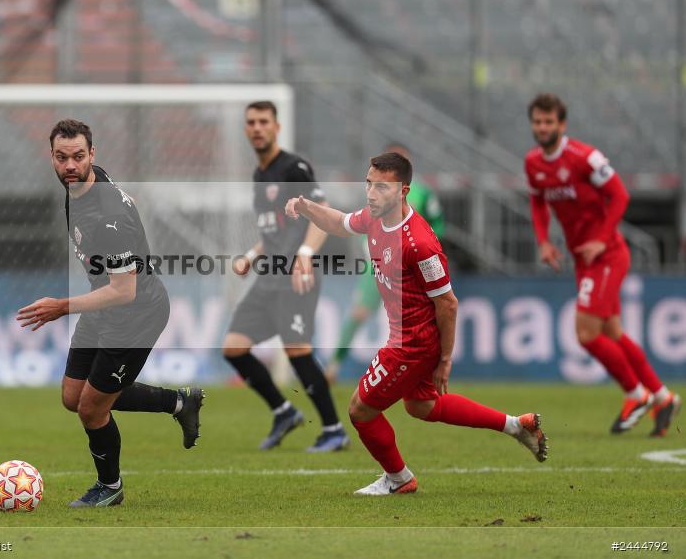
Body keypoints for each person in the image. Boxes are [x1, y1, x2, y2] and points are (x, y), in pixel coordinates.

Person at [285, 152, 547, 495]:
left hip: (413, 343)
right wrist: (307, 207)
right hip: (407, 337)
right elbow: (339, 222)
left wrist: (444, 359)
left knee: (360, 409)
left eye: (381, 186)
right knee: (421, 406)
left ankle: (399, 479)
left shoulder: (420, 244)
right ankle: (516, 426)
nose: (371, 193)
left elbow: (448, 304)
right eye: (368, 183)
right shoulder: (375, 218)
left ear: (403, 191)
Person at [17, 119, 204, 508]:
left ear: (93, 155)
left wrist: (61, 307)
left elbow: (124, 291)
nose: (70, 165)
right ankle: (179, 403)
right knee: (73, 396)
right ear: (51, 156)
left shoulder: (107, 220)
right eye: (61, 157)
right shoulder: (80, 184)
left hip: (136, 313)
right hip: (103, 302)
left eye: (78, 157)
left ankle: (110, 487)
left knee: (90, 407)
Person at [526, 93, 681, 436]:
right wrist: (544, 241)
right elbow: (537, 202)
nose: (543, 127)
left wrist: (602, 237)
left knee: (585, 333)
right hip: (584, 258)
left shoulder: (585, 157)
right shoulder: (534, 163)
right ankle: (663, 396)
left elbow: (620, 194)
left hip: (607, 255)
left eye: (549, 121)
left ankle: (635, 394)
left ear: (562, 125)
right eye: (537, 121)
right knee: (612, 333)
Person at [223, 101, 349, 452]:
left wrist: (305, 255)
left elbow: (321, 217)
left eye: (264, 121)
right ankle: (283, 411)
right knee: (233, 348)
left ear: (277, 127)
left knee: (297, 350)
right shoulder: (260, 175)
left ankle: (334, 429)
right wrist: (250, 256)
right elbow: (273, 232)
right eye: (251, 122)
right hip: (268, 277)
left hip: (296, 277)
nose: (257, 127)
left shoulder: (294, 168)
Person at [326, 142, 444, 383]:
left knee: (419, 318)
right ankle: (333, 366)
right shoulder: (376, 190)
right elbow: (365, 222)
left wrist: (426, 250)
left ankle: (429, 369)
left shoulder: (422, 192)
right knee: (359, 313)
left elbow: (436, 224)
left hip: (409, 268)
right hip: (378, 265)